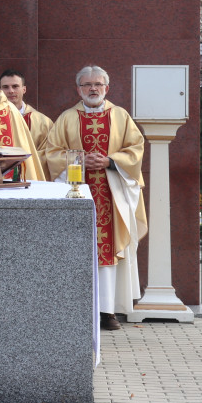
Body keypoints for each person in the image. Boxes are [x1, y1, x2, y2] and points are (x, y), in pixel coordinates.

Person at [44, 65, 148, 331]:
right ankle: (78, 311)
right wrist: (77, 159)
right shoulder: (67, 118)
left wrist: (110, 160)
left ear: (107, 88)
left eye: (98, 84)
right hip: (77, 193)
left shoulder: (121, 116)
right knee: (78, 251)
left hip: (111, 193)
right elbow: (51, 153)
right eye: (87, 84)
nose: (93, 89)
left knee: (109, 251)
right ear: (78, 89)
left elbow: (135, 148)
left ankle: (107, 311)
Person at [0, 69, 53, 169]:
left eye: (15, 86)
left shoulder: (43, 122)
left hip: (31, 177)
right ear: (0, 91)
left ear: (24, 89)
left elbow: (49, 154)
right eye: (5, 87)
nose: (11, 91)